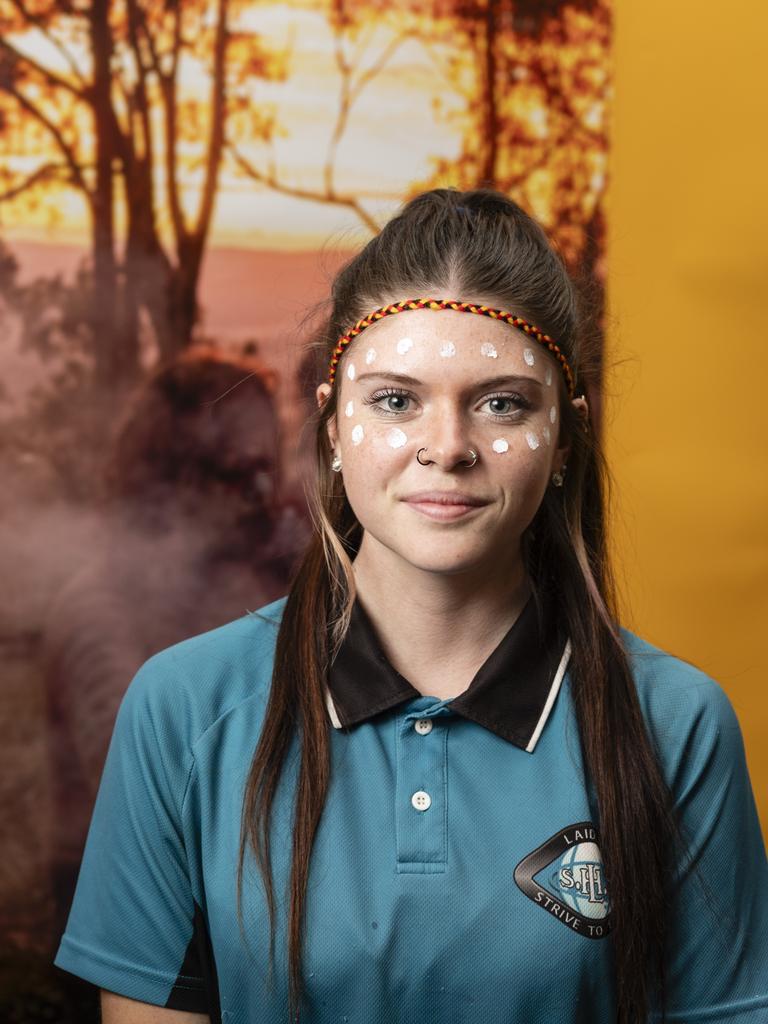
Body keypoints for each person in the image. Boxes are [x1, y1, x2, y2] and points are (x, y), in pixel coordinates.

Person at [53, 188, 768, 1024]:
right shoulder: (183, 710)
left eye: (502, 401)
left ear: (568, 437)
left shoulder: (675, 727)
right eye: (395, 400)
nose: (449, 446)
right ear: (332, 426)